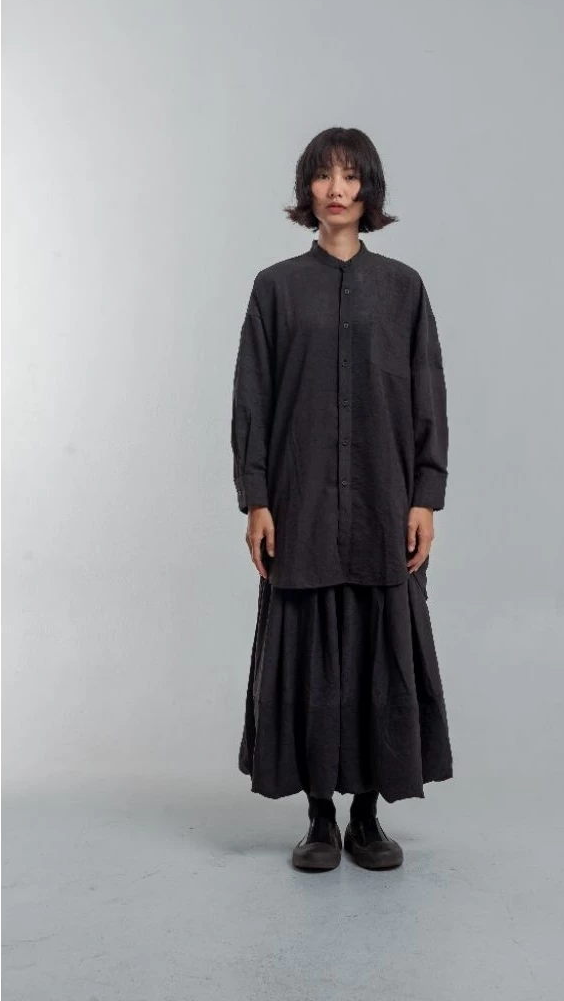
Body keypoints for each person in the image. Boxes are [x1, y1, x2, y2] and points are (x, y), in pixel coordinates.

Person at [231, 127, 453, 872]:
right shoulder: (275, 288)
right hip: (300, 504)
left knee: (375, 655)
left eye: (350, 176)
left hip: (385, 502)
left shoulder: (403, 289)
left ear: (369, 190)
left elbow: (428, 396)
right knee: (311, 658)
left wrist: (425, 496)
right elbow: (253, 400)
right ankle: (319, 817)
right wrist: (257, 498)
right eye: (323, 175)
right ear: (307, 190)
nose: (336, 189)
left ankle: (367, 817)